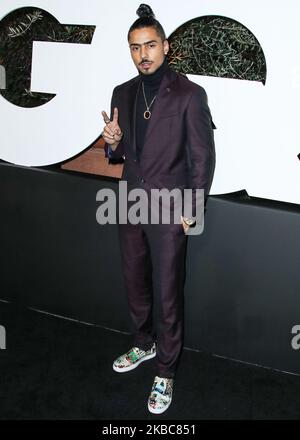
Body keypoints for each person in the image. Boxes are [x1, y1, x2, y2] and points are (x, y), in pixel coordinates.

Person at [101, 4, 215, 414]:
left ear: (165, 46)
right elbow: (118, 153)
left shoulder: (189, 94)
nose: (143, 54)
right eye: (135, 48)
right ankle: (143, 344)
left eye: (150, 45)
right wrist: (111, 140)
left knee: (167, 293)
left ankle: (165, 370)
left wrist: (193, 208)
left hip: (170, 209)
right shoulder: (122, 93)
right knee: (135, 284)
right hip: (129, 202)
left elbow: (202, 157)